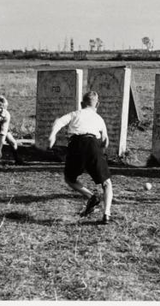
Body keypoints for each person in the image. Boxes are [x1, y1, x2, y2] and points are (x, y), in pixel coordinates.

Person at [48, 91, 113, 224]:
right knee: (106, 183)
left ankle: (91, 196)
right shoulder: (99, 118)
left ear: (82, 104)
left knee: (70, 179)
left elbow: (59, 122)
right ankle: (106, 214)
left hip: (75, 145)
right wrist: (101, 150)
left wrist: (53, 135)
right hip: (92, 145)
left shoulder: (74, 114)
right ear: (97, 104)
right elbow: (105, 141)